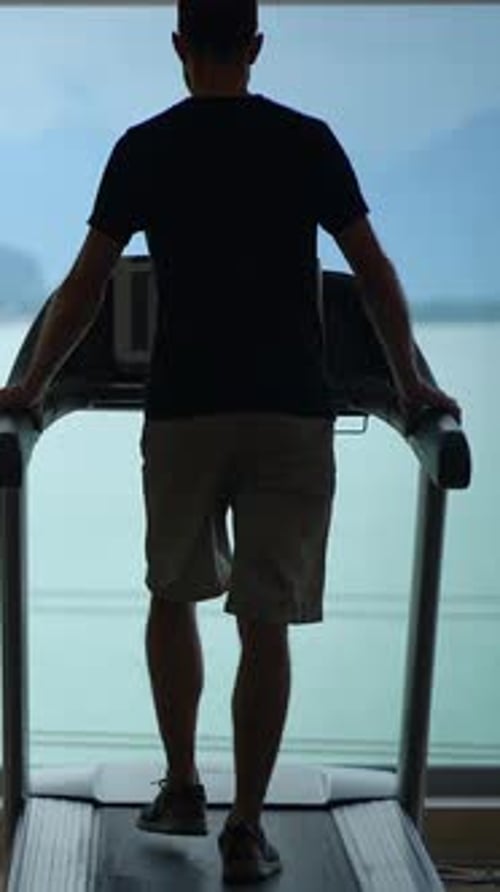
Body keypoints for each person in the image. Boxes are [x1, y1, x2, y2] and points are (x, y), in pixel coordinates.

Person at [0, 0, 461, 884]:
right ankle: (245, 827)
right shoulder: (308, 140)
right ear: (255, 46)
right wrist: (410, 383)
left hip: (186, 411)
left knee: (173, 594)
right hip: (292, 412)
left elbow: (88, 284)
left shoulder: (145, 146)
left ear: (180, 48)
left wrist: (30, 385)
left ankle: (181, 785)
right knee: (265, 622)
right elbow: (373, 271)